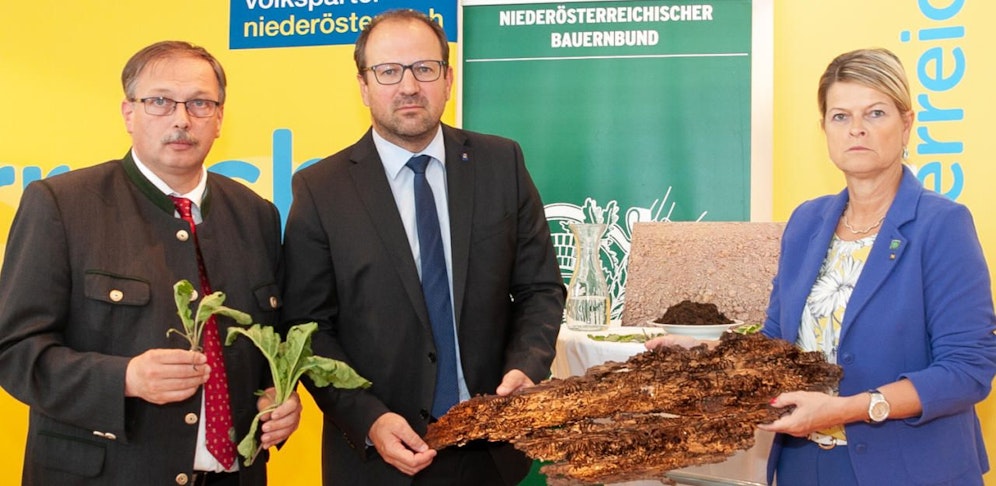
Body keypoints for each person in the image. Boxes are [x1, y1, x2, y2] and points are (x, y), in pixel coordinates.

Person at [648, 47, 996, 485]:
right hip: (805, 466)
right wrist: (707, 355)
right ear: (824, 128)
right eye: (840, 116)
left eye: (875, 113)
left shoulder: (941, 225)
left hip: (911, 469)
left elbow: (967, 371)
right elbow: (778, 343)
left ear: (907, 123)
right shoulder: (807, 221)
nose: (857, 130)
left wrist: (849, 408)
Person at [281, 8, 566, 485]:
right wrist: (368, 418)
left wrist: (526, 368)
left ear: (448, 79)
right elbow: (308, 328)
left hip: (489, 449)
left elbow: (540, 288)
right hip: (376, 459)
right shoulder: (321, 188)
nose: (408, 86)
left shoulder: (502, 162)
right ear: (363, 85)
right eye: (388, 71)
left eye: (424, 69)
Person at [0, 40, 301, 485]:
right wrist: (124, 377)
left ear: (219, 119)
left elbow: (271, 345)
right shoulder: (61, 205)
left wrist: (280, 397)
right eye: (160, 101)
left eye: (200, 103)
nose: (181, 119)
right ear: (128, 113)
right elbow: (14, 351)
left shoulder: (257, 214)